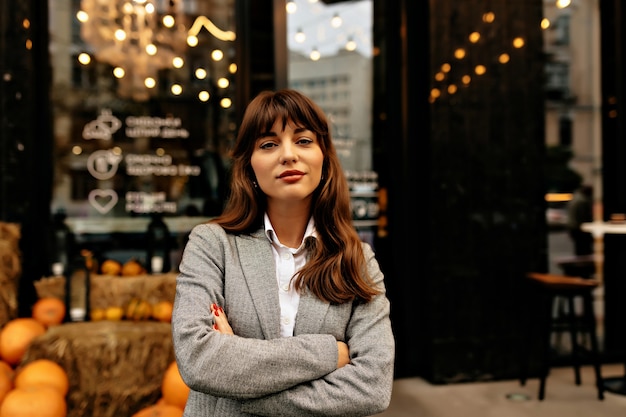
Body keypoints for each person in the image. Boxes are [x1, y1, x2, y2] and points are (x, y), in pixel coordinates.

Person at [171, 89, 395, 417]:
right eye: (268, 144)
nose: (288, 155)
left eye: (303, 141)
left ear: (324, 157)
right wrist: (328, 354)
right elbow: (198, 360)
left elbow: (372, 387)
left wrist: (236, 386)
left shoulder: (358, 260)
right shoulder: (212, 244)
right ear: (249, 165)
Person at [566, 184, 594, 256]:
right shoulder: (583, 201)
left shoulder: (576, 198)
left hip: (573, 226)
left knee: (579, 248)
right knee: (583, 249)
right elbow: (584, 217)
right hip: (579, 227)